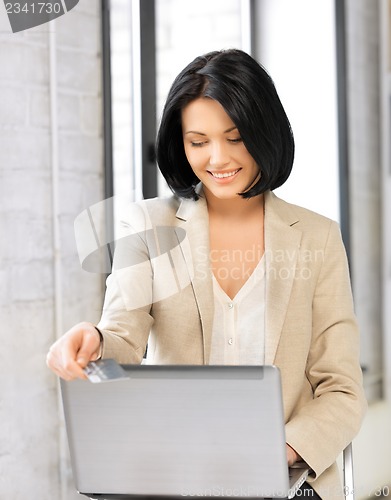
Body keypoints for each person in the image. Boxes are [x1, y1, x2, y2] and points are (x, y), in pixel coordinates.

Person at [47, 49, 367, 499]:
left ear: (264, 132)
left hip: (284, 478)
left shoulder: (317, 237)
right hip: (175, 477)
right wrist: (93, 340)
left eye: (235, 138)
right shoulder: (148, 227)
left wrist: (284, 448)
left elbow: (342, 389)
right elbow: (122, 340)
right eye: (198, 142)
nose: (218, 158)